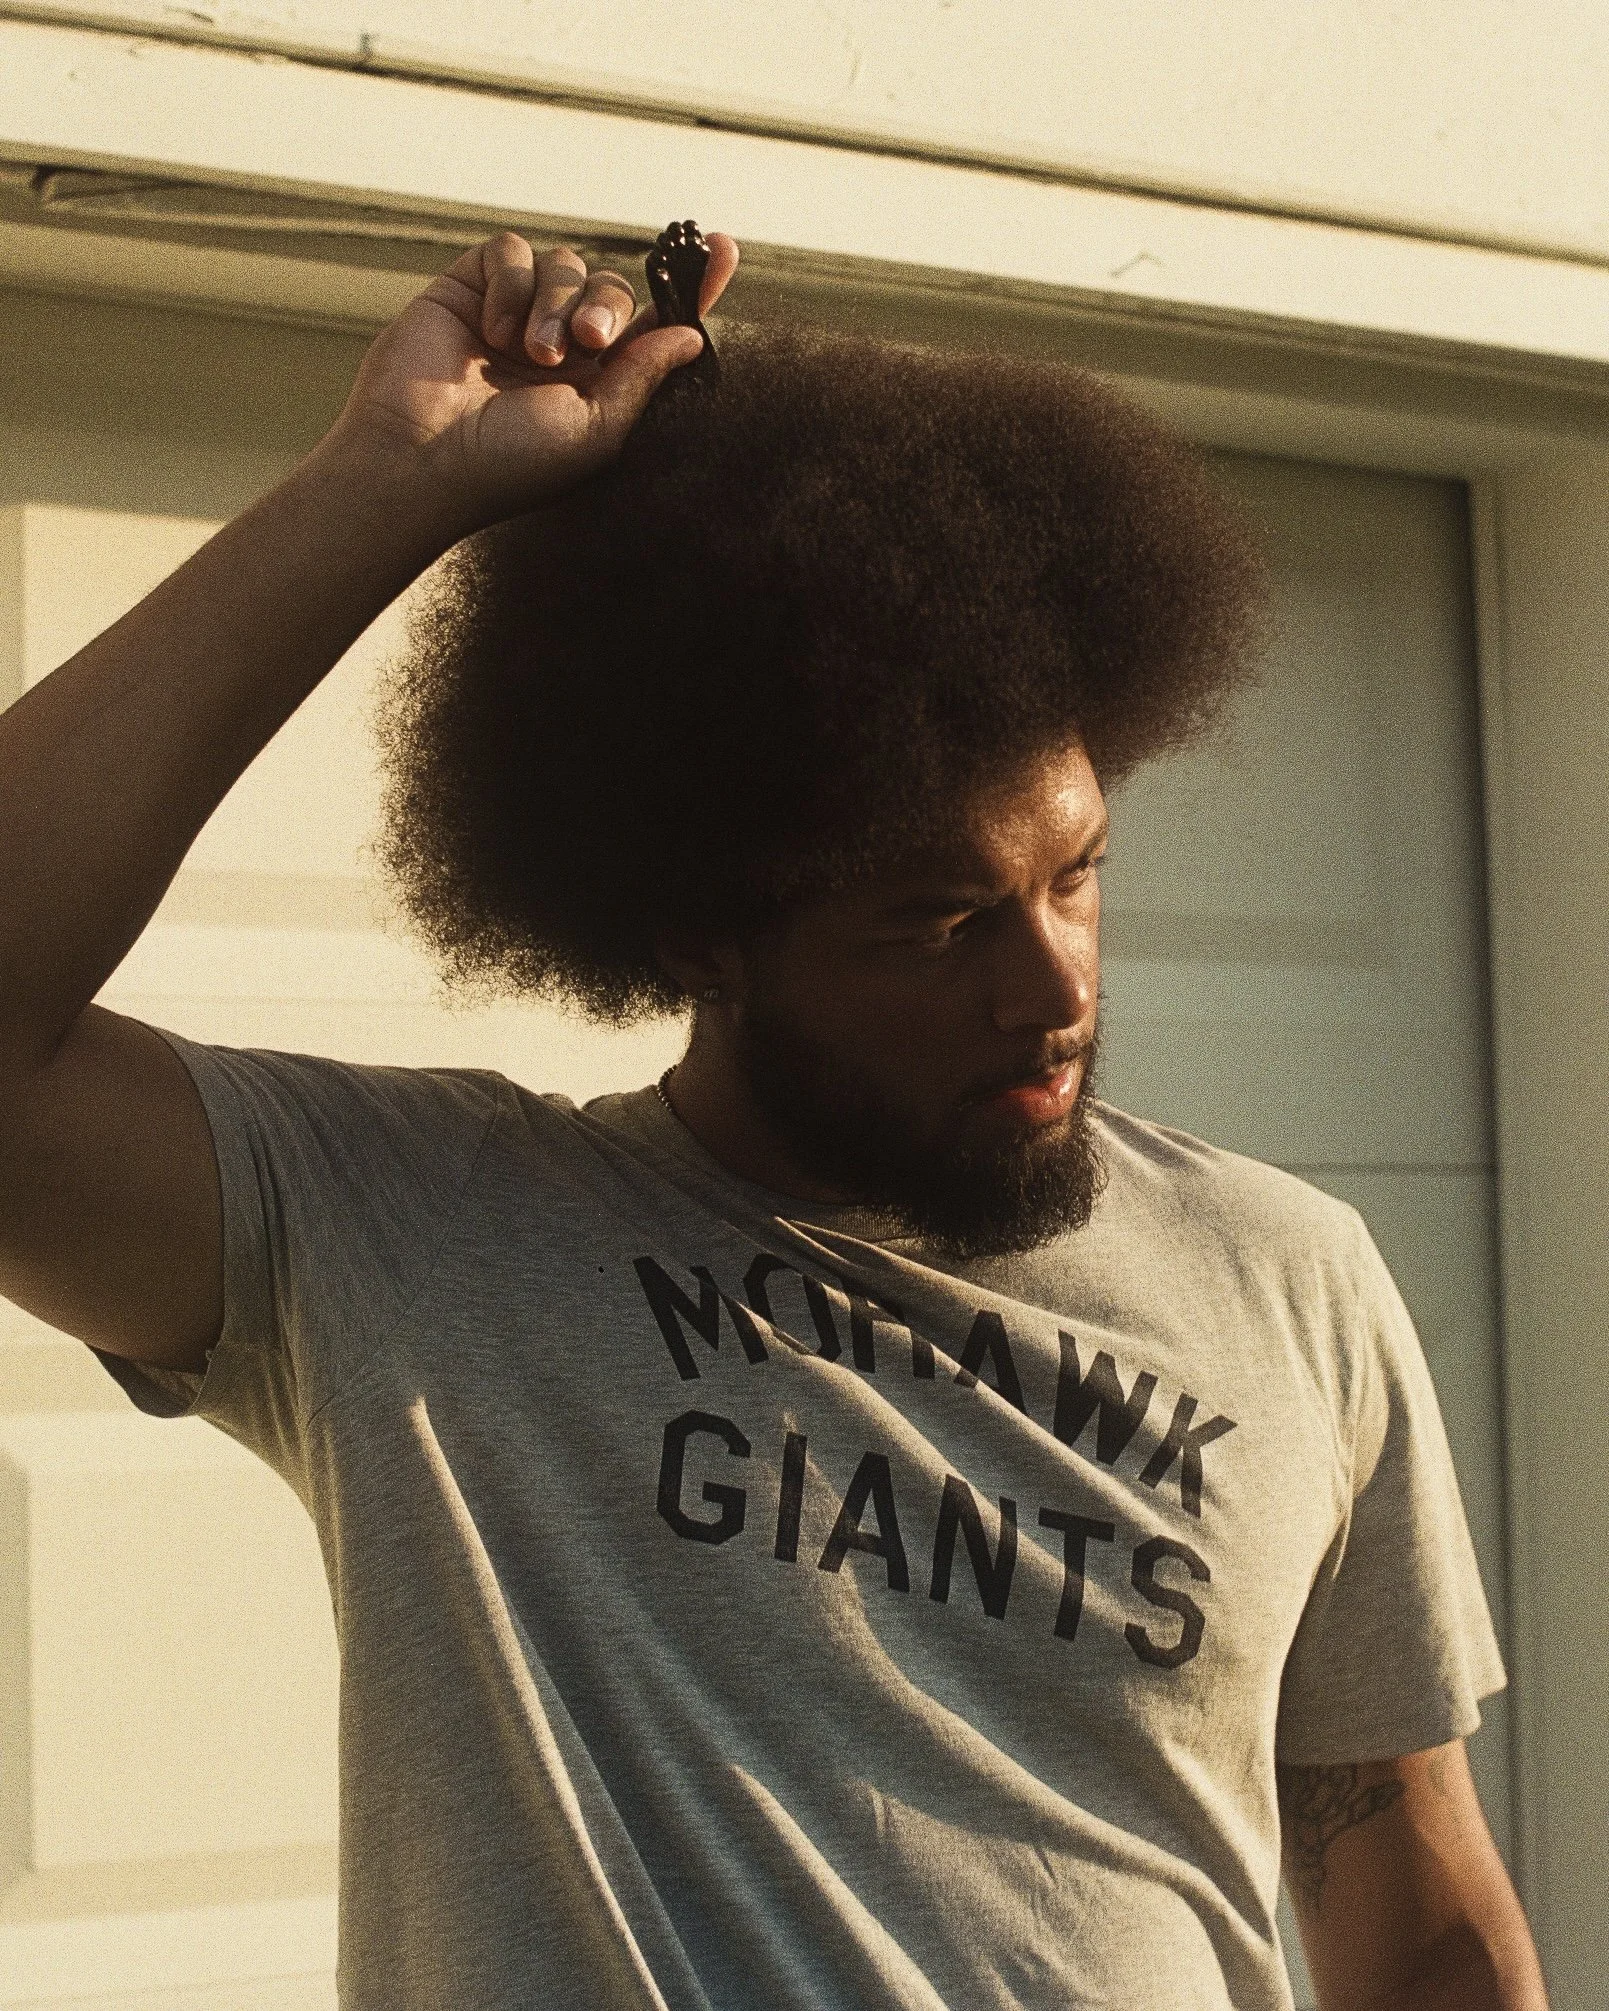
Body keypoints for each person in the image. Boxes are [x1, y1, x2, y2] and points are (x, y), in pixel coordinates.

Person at [0, 229, 1546, 2011]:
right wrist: (387, 484)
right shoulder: (414, 1239)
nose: (1052, 986)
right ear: (699, 934)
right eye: (941, 920)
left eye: (1077, 875)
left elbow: (1427, 1929)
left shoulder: (1291, 1281)